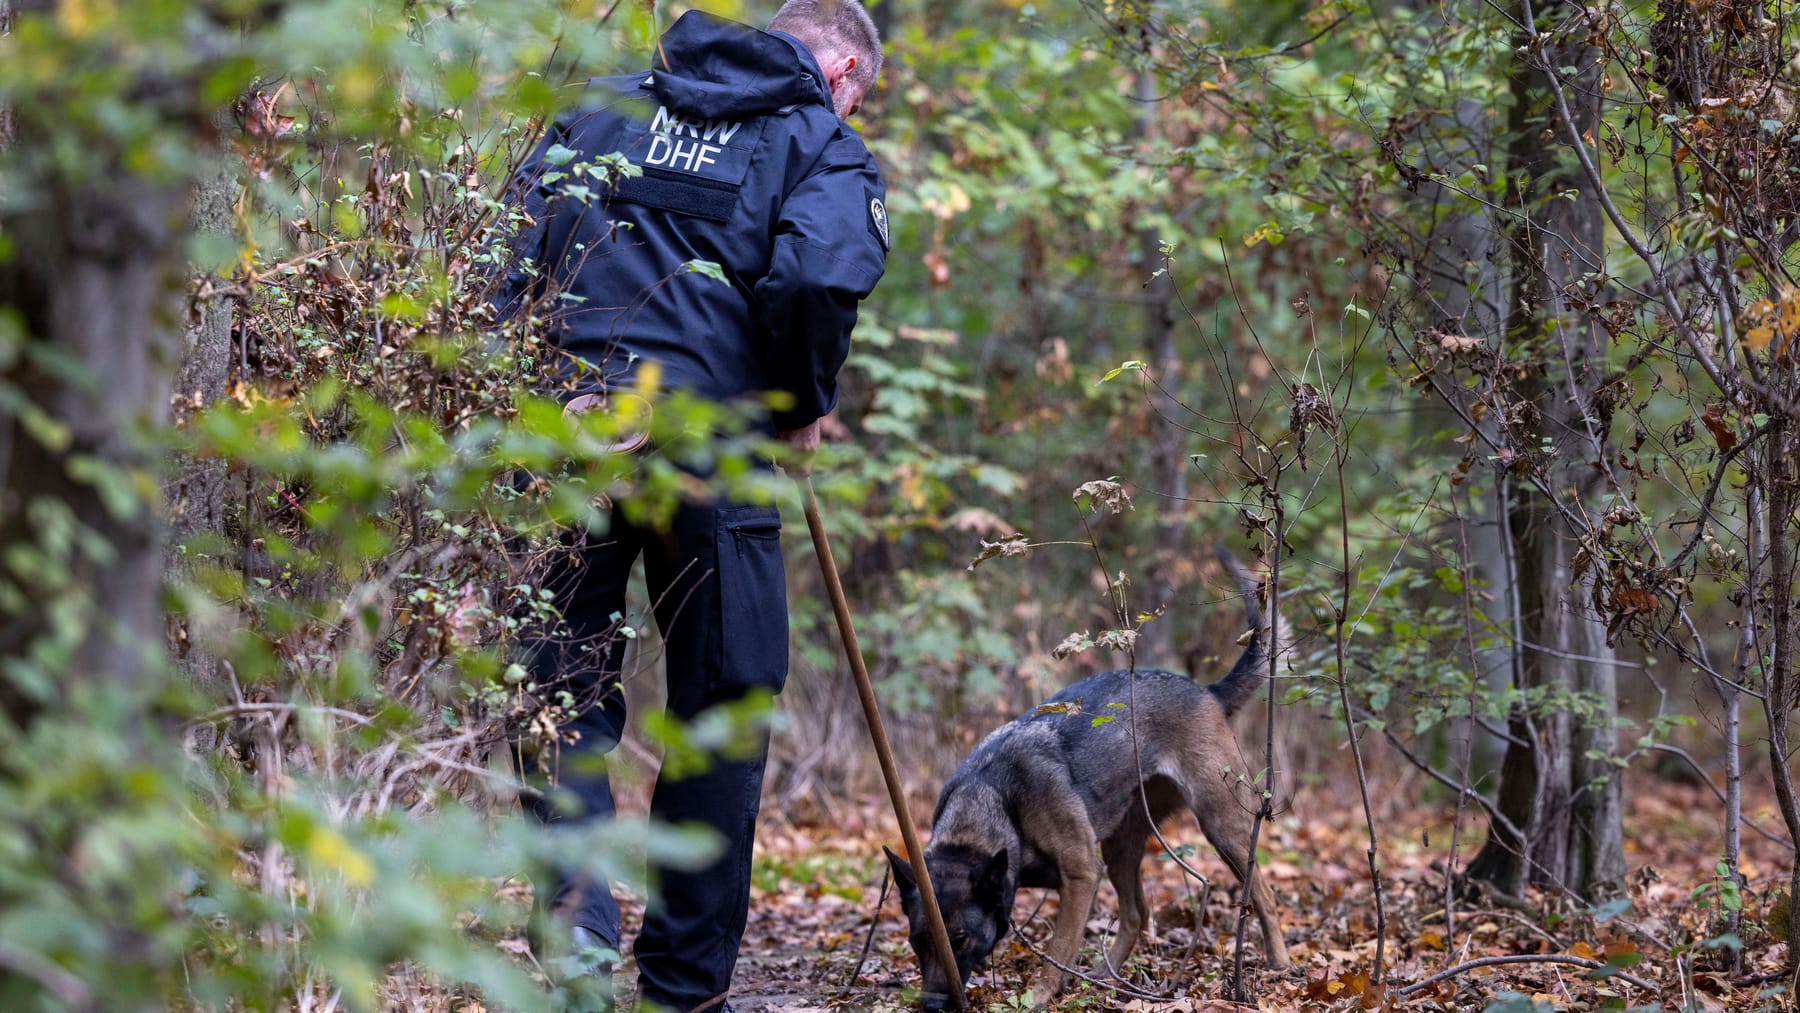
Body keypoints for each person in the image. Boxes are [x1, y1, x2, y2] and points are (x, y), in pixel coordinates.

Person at [495, 2, 887, 1011]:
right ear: (840, 69)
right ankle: (681, 987)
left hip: (564, 431)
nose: (850, 111)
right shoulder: (819, 144)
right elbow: (811, 276)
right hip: (712, 445)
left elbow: (505, 247)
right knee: (723, 699)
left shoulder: (602, 105)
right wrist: (799, 402)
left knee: (557, 686)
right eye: (859, 97)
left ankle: (575, 955)